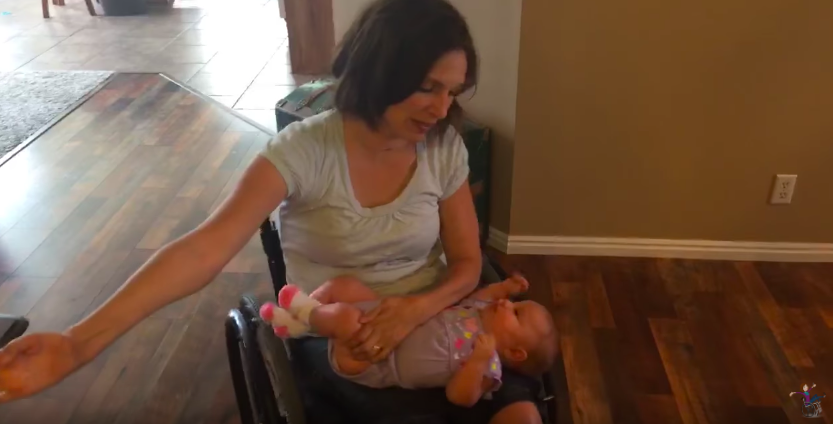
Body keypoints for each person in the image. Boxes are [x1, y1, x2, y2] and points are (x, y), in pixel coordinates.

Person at [0, 0, 550, 422]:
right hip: (340, 334)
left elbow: (464, 264)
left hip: (439, 320)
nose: (442, 108)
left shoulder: (443, 149)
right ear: (383, 69)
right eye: (428, 88)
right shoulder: (304, 151)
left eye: (452, 92)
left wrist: (415, 308)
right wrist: (79, 342)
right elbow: (203, 249)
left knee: (521, 407)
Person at [260, 274, 558, 407]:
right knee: (344, 285)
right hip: (385, 317)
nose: (507, 304)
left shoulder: (489, 364)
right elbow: (484, 295)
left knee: (346, 320)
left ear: (515, 352)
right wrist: (504, 287)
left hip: (374, 360)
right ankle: (298, 324)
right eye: (514, 302)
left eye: (516, 313)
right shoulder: (479, 311)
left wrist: (478, 362)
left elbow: (461, 397)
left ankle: (306, 313)